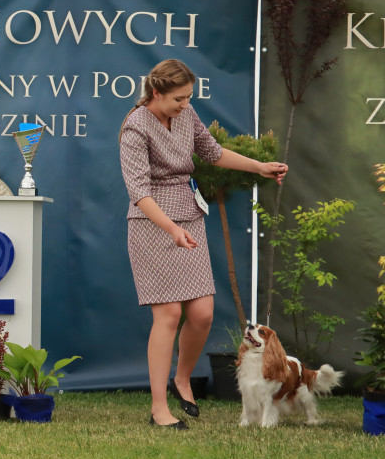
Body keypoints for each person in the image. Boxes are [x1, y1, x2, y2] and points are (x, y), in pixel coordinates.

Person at [119, 59, 287, 430]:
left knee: (203, 314)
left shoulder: (186, 114)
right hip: (152, 224)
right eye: (178, 98)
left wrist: (259, 167)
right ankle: (159, 408)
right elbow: (139, 194)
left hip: (189, 217)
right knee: (169, 316)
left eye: (188, 98)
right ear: (157, 93)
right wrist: (171, 229)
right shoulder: (135, 128)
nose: (185, 104)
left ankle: (183, 379)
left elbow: (212, 153)